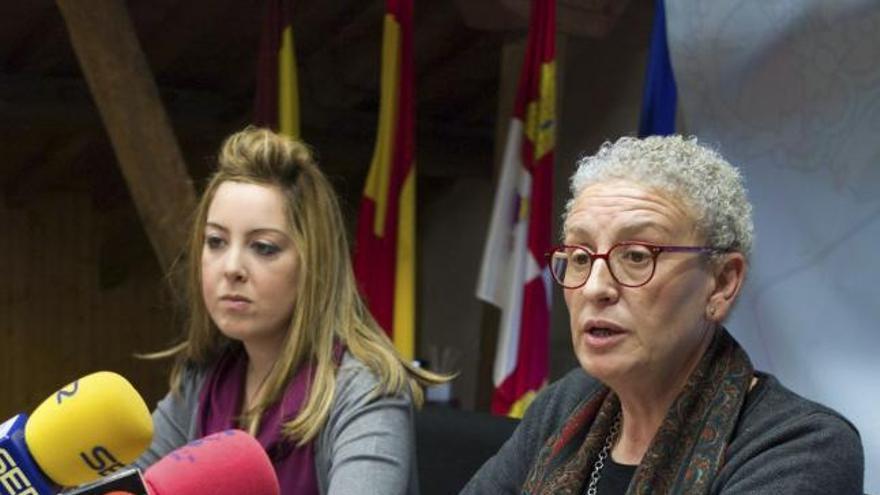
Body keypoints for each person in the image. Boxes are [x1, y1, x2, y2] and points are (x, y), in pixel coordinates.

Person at [462, 135, 864, 494]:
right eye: (581, 257)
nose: (594, 287)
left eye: (637, 256)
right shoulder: (568, 404)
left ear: (722, 282)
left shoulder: (801, 445)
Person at [136, 126, 445, 494]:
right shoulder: (203, 377)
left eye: (264, 247)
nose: (231, 267)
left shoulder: (366, 391)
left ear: (315, 265)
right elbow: (127, 486)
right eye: (216, 241)